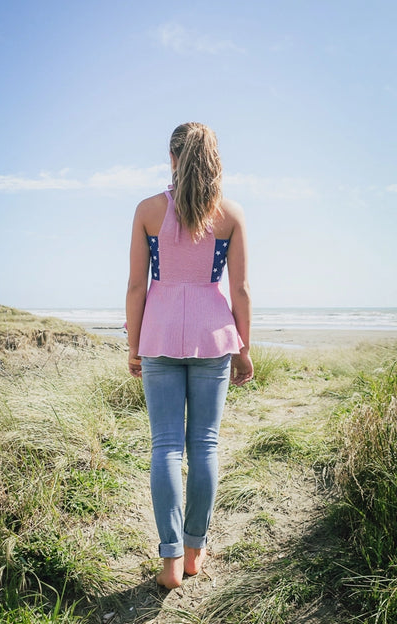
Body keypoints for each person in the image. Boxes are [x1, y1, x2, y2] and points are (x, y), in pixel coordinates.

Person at [126, 122, 253, 589]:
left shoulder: (147, 211)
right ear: (213, 159)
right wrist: (243, 348)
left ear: (173, 158)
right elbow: (239, 289)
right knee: (204, 446)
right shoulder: (231, 215)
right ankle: (195, 552)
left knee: (165, 446)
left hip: (157, 335)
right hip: (214, 336)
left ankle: (170, 563)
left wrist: (133, 343)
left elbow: (137, 286)